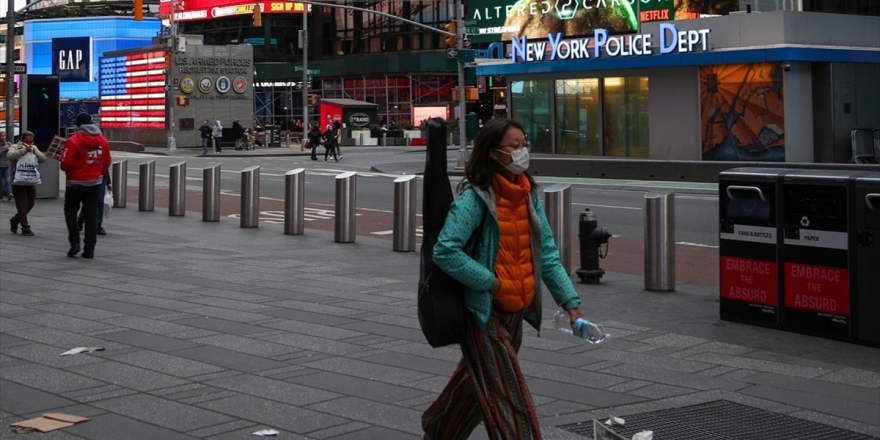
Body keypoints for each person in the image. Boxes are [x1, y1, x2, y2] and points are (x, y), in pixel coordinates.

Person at [422, 118, 587, 440]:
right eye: (514, 146)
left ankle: (440, 428)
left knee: (476, 383)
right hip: (484, 314)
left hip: (516, 313)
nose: (522, 151)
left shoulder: (527, 196)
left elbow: (548, 256)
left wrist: (572, 304)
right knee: (510, 399)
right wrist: (492, 283)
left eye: (524, 144)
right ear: (494, 153)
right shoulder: (476, 199)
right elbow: (445, 251)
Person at [61, 113, 112, 259]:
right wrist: (96, 171)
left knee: (70, 211)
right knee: (91, 215)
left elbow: (65, 164)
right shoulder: (103, 141)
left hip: (75, 183)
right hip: (94, 183)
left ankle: (74, 242)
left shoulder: (73, 140)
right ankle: (89, 249)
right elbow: (106, 161)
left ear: (78, 124)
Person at [7, 131, 47, 236]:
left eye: (31, 141)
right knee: (22, 204)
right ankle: (25, 227)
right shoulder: (15, 147)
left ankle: (16, 219)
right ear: (22, 139)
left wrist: (34, 152)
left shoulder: (34, 147)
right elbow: (10, 156)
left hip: (30, 179)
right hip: (18, 180)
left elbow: (43, 159)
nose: (29, 143)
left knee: (31, 203)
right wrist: (24, 150)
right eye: (27, 141)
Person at [77, 169, 111, 236]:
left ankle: (95, 224)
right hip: (92, 174)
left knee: (97, 201)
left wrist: (108, 181)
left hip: (100, 174)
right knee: (93, 200)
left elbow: (105, 164)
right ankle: (94, 224)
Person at [0, 131, 11, 201]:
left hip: (7, 164)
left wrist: (8, 149)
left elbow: (12, 153)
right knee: (0, 181)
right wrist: (3, 149)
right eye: (1, 136)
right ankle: (0, 195)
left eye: (4, 136)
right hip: (0, 165)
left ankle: (10, 193)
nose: (3, 137)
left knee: (8, 180)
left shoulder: (8, 143)